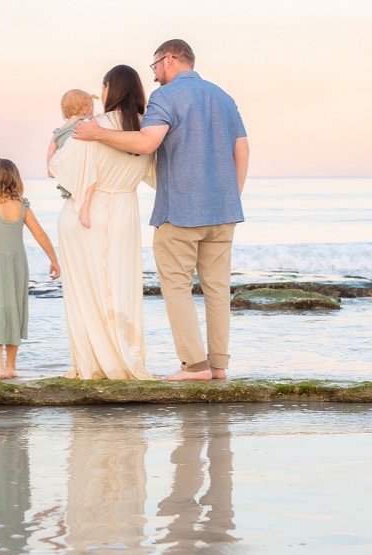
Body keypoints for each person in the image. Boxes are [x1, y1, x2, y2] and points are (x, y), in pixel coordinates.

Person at [75, 38, 249, 382]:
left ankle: (194, 367)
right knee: (217, 289)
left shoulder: (166, 97)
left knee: (177, 287)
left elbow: (146, 142)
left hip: (180, 211)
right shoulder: (224, 97)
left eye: (154, 66)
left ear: (169, 59)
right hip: (224, 210)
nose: (153, 76)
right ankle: (218, 366)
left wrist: (97, 133)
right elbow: (241, 150)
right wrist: (231, 196)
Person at [50, 64, 156, 379]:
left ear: (110, 88)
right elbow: (155, 176)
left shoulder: (93, 126)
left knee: (86, 291)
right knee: (121, 285)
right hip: (124, 209)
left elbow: (61, 167)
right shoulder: (147, 128)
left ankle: (93, 364)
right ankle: (124, 358)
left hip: (86, 211)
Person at [0, 157, 60, 379]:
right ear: (14, 178)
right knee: (14, 310)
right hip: (18, 264)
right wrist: (54, 260)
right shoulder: (22, 205)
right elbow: (40, 234)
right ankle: (11, 367)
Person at [46, 87, 99, 199]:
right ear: (85, 109)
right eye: (92, 108)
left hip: (67, 169)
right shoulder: (83, 123)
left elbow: (51, 148)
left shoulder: (59, 130)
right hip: (79, 165)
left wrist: (50, 169)